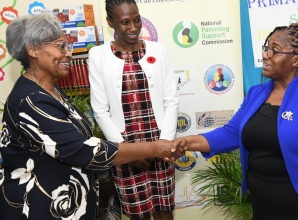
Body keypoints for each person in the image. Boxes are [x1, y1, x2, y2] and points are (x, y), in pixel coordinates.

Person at [0, 13, 185, 220]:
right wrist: (156, 147)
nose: (68, 54)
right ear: (32, 50)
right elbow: (87, 151)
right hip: (40, 208)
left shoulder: (49, 90)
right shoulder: (31, 100)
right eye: (61, 46)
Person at [173, 19, 298, 220]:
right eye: (266, 47)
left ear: (296, 60)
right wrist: (188, 142)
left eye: (274, 50)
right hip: (261, 204)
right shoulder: (256, 93)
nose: (265, 55)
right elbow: (231, 134)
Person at [88, 1, 178, 219]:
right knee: (138, 213)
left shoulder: (158, 50)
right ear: (111, 23)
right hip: (125, 145)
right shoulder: (98, 55)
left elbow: (171, 100)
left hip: (159, 141)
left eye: (136, 20)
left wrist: (164, 145)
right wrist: (126, 153)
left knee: (164, 209)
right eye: (124, 22)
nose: (133, 27)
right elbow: (100, 109)